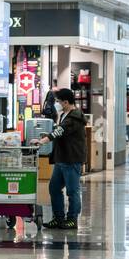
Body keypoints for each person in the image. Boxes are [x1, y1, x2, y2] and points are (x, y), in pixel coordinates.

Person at [36, 87, 86, 230]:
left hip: (71, 159)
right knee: (54, 187)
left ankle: (72, 219)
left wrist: (43, 141)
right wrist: (44, 137)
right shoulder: (64, 114)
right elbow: (59, 130)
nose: (56, 104)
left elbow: (60, 131)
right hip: (61, 158)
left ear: (65, 102)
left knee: (72, 190)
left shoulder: (75, 116)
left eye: (58, 101)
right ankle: (58, 218)